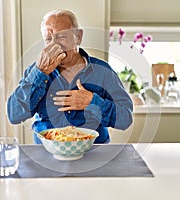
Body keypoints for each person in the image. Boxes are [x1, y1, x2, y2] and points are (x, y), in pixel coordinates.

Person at [7, 9, 133, 144]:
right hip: (47, 156)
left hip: (94, 155)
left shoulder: (103, 71)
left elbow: (125, 119)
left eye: (61, 37)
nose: (54, 44)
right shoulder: (36, 71)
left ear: (78, 36)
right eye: (48, 39)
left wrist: (92, 102)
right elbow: (14, 115)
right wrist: (40, 73)